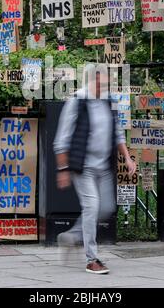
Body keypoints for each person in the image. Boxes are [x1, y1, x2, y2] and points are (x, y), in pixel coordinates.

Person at [53, 64, 136, 274]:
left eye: (106, 80)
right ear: (90, 80)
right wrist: (63, 169)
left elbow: (117, 133)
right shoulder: (77, 101)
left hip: (104, 167)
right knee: (91, 206)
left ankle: (73, 236)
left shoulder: (108, 101)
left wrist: (127, 158)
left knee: (106, 208)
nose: (104, 84)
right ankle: (92, 259)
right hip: (83, 166)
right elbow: (61, 139)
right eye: (100, 80)